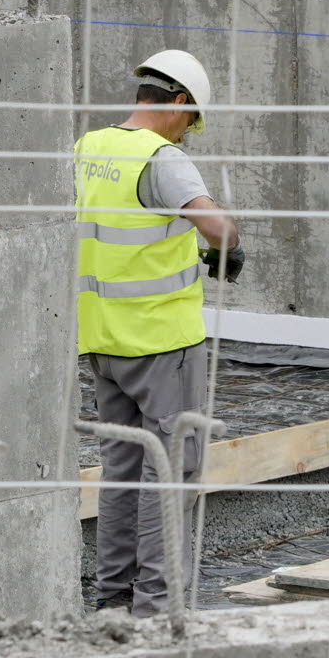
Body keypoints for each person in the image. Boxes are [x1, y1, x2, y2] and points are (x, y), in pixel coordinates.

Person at [75, 50, 242, 616]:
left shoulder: (89, 147)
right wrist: (226, 243)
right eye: (191, 121)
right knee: (171, 469)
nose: (188, 133)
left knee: (122, 468)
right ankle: (157, 608)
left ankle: (114, 600)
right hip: (162, 341)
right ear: (177, 103)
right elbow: (219, 228)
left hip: (101, 340)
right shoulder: (162, 159)